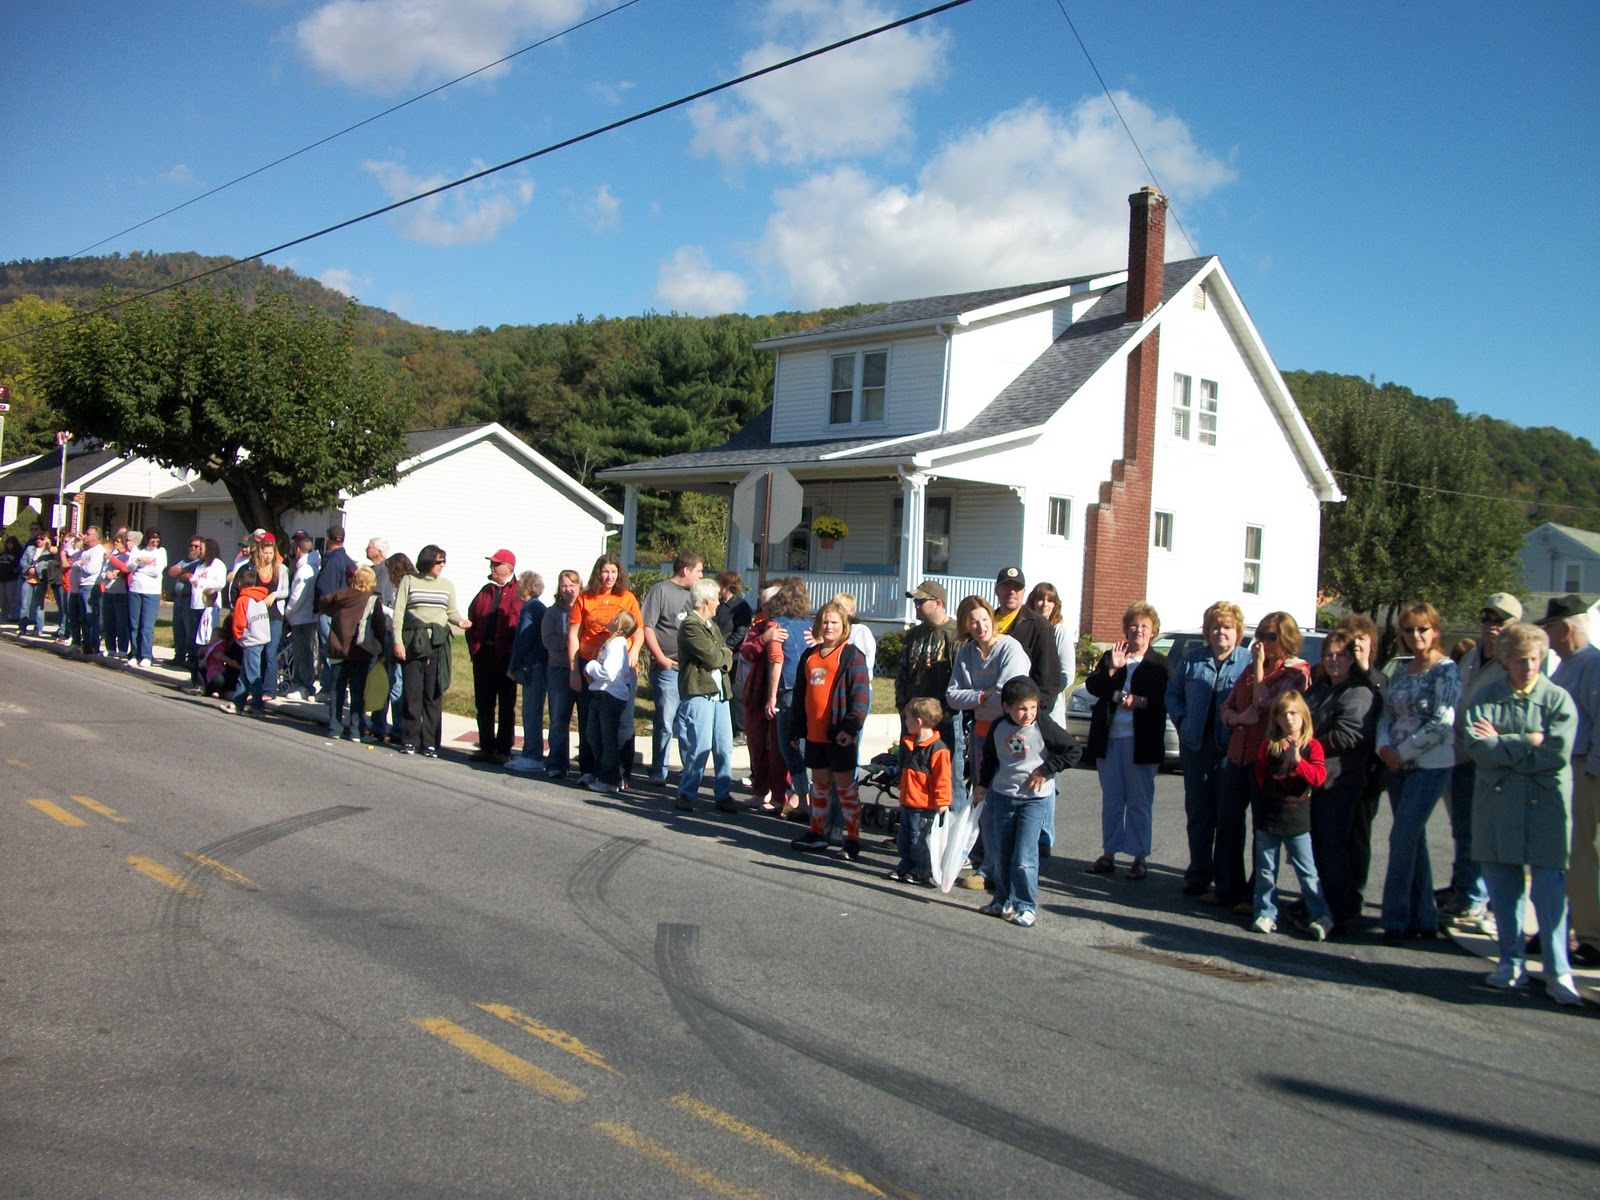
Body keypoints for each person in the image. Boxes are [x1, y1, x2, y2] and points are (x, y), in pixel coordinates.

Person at [1463, 621, 1582, 1005]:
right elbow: (1477, 749)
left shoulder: (1559, 700)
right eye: (1518, 660)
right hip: (1497, 806)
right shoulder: (1486, 699)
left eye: (1533, 659)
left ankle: (1558, 971)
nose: (1527, 667)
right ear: (1504, 661)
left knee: (1550, 891)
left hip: (1546, 807)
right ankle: (1510, 962)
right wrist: (1526, 741)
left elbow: (1556, 754)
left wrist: (1502, 746)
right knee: (1504, 890)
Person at [1208, 612, 1313, 910]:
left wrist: (1257, 667)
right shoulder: (1251, 671)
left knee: (1262, 831)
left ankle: (1255, 895)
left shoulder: (1295, 673)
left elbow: (1264, 703)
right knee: (1227, 823)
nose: (1262, 643)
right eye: (1260, 636)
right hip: (1237, 754)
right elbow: (1227, 707)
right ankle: (1227, 887)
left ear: (1286, 640)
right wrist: (1238, 718)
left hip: (1265, 758)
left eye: (1270, 637)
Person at [1375, 602, 1461, 944]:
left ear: (1435, 631)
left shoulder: (1446, 671)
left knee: (1401, 837)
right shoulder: (1402, 670)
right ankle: (1425, 917)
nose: (1416, 636)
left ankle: (1395, 919)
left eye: (1422, 629)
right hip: (1396, 767)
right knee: (1413, 840)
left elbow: (1443, 721)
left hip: (1429, 765)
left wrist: (1402, 752)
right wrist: (1383, 748)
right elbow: (1386, 715)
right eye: (1409, 630)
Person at [1444, 593, 1527, 926]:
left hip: (1493, 760)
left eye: (1500, 621)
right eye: (1487, 619)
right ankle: (1464, 892)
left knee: (1486, 833)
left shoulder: (1515, 664)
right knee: (1463, 830)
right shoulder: (1471, 659)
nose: (1492, 626)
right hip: (1461, 754)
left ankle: (1477, 899)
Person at [975, 677, 1082, 926]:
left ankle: (1026, 905)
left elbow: (1073, 751)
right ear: (1006, 708)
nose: (1028, 714)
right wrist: (982, 784)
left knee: (1024, 856)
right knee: (1003, 853)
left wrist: (1046, 770)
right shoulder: (998, 727)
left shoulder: (1043, 725)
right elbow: (989, 758)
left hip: (1034, 800)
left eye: (1033, 708)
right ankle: (1002, 899)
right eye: (1022, 708)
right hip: (1003, 796)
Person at [945, 595, 1031, 890]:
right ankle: (988, 865)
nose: (979, 626)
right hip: (981, 732)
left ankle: (1006, 867)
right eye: (972, 621)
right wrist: (981, 695)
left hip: (1009, 733)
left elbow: (1010, 692)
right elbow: (952, 695)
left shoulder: (1010, 648)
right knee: (984, 798)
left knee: (1008, 799)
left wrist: (981, 695)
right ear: (965, 625)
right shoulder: (967, 652)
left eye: (984, 619)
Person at [1166, 601, 1251, 896]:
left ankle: (1229, 881)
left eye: (1227, 627)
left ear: (1237, 631)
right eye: (1215, 627)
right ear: (1206, 631)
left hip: (1231, 751)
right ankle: (1198, 874)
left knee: (1229, 818)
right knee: (1199, 814)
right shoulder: (1192, 661)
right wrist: (1182, 720)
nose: (1221, 632)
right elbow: (1173, 694)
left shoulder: (1248, 663)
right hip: (1196, 748)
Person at [1083, 602, 1169, 881]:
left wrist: (1141, 702)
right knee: (1112, 799)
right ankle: (1109, 853)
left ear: (1152, 631)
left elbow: (1165, 700)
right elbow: (1094, 687)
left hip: (1140, 741)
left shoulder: (1160, 664)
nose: (1138, 631)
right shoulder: (1113, 655)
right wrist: (1112, 670)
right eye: (1134, 625)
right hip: (1110, 738)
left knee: (1139, 801)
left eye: (1144, 626)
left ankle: (1139, 856)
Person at [1304, 629, 1379, 932]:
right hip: (1315, 781)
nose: (1334, 660)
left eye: (1341, 655)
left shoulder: (1358, 693)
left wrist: (1305, 746)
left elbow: (1348, 735)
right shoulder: (1320, 689)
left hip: (1340, 782)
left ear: (1352, 658)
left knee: (1334, 846)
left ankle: (1337, 910)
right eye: (1329, 655)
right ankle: (1318, 904)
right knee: (1319, 845)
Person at [787, 600, 872, 859]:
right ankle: (817, 832)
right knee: (820, 785)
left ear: (843, 626)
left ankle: (853, 839)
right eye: (824, 622)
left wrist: (851, 728)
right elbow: (800, 696)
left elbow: (860, 696)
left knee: (845, 788)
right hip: (814, 734)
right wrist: (795, 730)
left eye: (834, 622)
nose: (829, 627)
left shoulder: (852, 655)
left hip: (840, 735)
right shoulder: (809, 655)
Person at [1541, 595, 1600, 969]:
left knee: (1582, 852)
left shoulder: (1592, 664)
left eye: (1549, 629)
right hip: (1565, 767)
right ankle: (1563, 928)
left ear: (1565, 629)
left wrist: (1594, 767)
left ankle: (1592, 937)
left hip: (1584, 768)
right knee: (1562, 853)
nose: (1546, 637)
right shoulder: (1567, 666)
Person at [1250, 691, 1335, 939]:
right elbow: (1260, 773)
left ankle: (1321, 915)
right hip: (1269, 818)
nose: (1288, 719)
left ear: (1304, 716)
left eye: (1293, 713)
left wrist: (1298, 761)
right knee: (1266, 869)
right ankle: (1265, 912)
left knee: (1307, 872)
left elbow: (1318, 778)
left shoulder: (1313, 746)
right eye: (1283, 714)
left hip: (1298, 821)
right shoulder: (1270, 744)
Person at [567, 555, 643, 786]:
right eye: (605, 571)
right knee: (590, 721)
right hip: (591, 666)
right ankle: (590, 769)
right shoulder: (585, 597)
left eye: (613, 572)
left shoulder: (627, 598)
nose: (609, 576)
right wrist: (574, 670)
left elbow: (638, 630)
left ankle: (621, 773)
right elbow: (573, 635)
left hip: (621, 669)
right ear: (597, 573)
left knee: (622, 722)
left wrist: (634, 653)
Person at [393, 544, 470, 758]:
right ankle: (409, 739)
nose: (442, 566)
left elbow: (451, 610)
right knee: (412, 692)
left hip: (437, 643)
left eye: (444, 562)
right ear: (427, 561)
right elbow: (399, 613)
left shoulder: (446, 585)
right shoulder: (409, 581)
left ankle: (430, 742)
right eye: (438, 562)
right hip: (414, 643)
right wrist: (397, 642)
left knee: (433, 693)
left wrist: (461, 621)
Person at [1336, 611, 1389, 918]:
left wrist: (1366, 670)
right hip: (1335, 771)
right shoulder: (1336, 676)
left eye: (1361, 640)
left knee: (1358, 834)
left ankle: (1354, 894)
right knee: (1332, 834)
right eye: (1349, 640)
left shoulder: (1379, 680)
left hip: (1367, 772)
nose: (1355, 646)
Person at [896, 580, 964, 811]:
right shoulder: (914, 635)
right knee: (912, 772)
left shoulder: (955, 635)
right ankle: (911, 823)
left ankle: (948, 831)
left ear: (938, 602)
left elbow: (959, 677)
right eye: (914, 601)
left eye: (920, 601)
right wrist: (902, 705)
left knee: (945, 777)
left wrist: (946, 712)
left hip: (941, 719)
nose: (915, 605)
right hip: (913, 717)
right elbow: (902, 672)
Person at [639, 552, 704, 784]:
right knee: (665, 721)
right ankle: (659, 770)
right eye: (699, 571)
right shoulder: (660, 591)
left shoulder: (696, 595)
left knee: (688, 724)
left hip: (690, 669)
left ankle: (688, 775)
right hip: (667, 668)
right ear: (685, 570)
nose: (701, 576)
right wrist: (661, 658)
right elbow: (647, 627)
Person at [674, 578, 737, 813]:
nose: (719, 602)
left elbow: (724, 657)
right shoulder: (691, 625)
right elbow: (713, 657)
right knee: (698, 745)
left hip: (720, 693)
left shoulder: (712, 625)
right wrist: (723, 654)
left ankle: (723, 794)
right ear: (708, 599)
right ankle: (686, 793)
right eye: (717, 598)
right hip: (699, 691)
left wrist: (723, 655)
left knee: (723, 746)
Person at [466, 549, 523, 765]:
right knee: (484, 703)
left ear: (508, 567)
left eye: (496, 564)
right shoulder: (485, 591)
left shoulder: (518, 592)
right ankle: (486, 747)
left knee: (506, 705)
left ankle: (503, 749)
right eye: (492, 563)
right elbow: (473, 617)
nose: (492, 567)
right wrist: (474, 647)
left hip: (506, 657)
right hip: (484, 655)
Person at [764, 577, 814, 815]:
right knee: (803, 744)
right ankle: (805, 797)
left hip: (788, 689)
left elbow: (777, 661)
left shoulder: (776, 626)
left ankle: (801, 798)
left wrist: (771, 695)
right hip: (810, 689)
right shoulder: (811, 627)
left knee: (788, 746)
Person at [890, 696, 952, 885]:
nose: (905, 722)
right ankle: (906, 864)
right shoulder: (910, 743)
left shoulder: (938, 749)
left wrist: (942, 802)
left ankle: (922, 870)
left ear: (918, 722)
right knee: (905, 838)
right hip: (908, 802)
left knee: (920, 841)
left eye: (907, 719)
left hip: (924, 805)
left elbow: (943, 778)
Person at [319, 566, 386, 742]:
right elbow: (379, 627)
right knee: (358, 692)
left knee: (337, 689)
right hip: (360, 651)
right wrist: (382, 650)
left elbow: (323, 602)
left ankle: (334, 727)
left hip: (337, 648)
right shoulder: (372, 600)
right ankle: (356, 730)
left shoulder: (341, 595)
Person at [739, 585, 789, 812]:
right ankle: (760, 791)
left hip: (782, 695)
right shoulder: (758, 627)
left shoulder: (790, 626)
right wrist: (764, 638)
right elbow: (746, 652)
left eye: (770, 604)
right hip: (757, 694)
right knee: (756, 744)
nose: (766, 608)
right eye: (763, 604)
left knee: (779, 748)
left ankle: (780, 795)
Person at [992, 566, 1062, 711]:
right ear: (996, 590)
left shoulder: (1039, 626)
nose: (1012, 592)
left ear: (1023, 592)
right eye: (1006, 586)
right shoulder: (985, 624)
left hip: (1020, 714)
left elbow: (1049, 679)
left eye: (1017, 587)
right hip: (986, 711)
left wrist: (1033, 713)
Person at [582, 611, 637, 794]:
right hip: (601, 694)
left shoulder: (617, 644)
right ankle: (603, 773)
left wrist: (590, 667)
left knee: (608, 740)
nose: (611, 618)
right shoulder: (613, 643)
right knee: (594, 736)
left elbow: (608, 673)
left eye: (616, 617)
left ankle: (610, 779)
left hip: (610, 697)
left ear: (619, 623)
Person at [506, 571, 549, 773]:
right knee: (533, 710)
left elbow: (523, 638)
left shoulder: (530, 609)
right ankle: (529, 752)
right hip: (540, 664)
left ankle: (532, 754)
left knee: (531, 711)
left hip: (533, 665)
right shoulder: (540, 607)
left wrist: (513, 665)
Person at [541, 569, 581, 779]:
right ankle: (557, 763)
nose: (568, 589)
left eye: (572, 585)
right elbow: (548, 641)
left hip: (583, 671)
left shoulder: (585, 608)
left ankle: (587, 765)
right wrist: (570, 643)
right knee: (558, 719)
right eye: (564, 585)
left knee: (586, 721)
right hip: (559, 671)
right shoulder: (553, 612)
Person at [314, 525, 357, 699]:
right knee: (333, 651)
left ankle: (329, 689)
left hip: (330, 613)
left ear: (329, 539)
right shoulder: (347, 560)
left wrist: (322, 606)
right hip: (342, 613)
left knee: (329, 651)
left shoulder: (333, 561)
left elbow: (325, 589)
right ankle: (332, 688)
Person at [224, 566, 271, 715]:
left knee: (252, 674)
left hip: (250, 640)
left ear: (239, 584)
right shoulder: (261, 597)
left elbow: (239, 622)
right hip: (261, 638)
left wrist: (238, 637)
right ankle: (238, 702)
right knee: (244, 674)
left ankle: (257, 706)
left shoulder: (242, 600)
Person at [713, 572, 753, 742]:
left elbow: (741, 630)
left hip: (733, 656)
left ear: (725, 585)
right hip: (720, 653)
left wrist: (728, 646)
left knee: (735, 692)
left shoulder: (740, 606)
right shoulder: (722, 605)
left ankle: (741, 730)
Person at [283, 535, 321, 700]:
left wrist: (288, 612)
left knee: (302, 653)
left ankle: (303, 685)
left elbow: (297, 597)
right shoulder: (313, 567)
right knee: (305, 652)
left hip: (301, 617)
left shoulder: (304, 570)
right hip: (308, 616)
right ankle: (304, 684)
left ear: (298, 549)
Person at [124, 528, 167, 667]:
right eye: (152, 540)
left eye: (157, 540)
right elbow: (129, 567)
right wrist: (139, 560)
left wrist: (141, 569)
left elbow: (156, 571)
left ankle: (146, 655)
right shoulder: (137, 549)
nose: (155, 543)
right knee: (134, 624)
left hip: (152, 592)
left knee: (146, 626)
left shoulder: (161, 552)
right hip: (135, 589)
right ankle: (134, 653)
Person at [63, 527, 105, 656]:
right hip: (81, 585)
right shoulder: (86, 551)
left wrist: (80, 564)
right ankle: (85, 643)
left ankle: (93, 645)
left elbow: (91, 569)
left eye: (88, 534)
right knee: (83, 617)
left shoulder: (98, 551)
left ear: (96, 537)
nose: (85, 536)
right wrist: (76, 539)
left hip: (91, 585)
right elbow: (67, 550)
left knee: (90, 617)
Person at [166, 536, 205, 669]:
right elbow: (171, 571)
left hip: (190, 599)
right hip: (178, 599)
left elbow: (192, 577)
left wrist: (182, 573)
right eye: (191, 546)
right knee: (178, 628)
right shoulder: (184, 561)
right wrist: (185, 573)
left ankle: (191, 657)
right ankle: (179, 655)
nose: (193, 548)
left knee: (190, 631)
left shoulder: (200, 563)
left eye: (196, 546)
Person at [100, 527, 133, 659]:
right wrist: (106, 574)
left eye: (118, 541)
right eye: (115, 541)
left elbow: (127, 569)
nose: (116, 544)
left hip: (121, 592)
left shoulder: (128, 556)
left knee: (121, 622)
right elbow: (102, 571)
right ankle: (110, 647)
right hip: (108, 590)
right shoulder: (111, 556)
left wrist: (118, 574)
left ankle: (123, 648)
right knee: (109, 621)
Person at [0, 536, 21, 624]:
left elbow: (19, 565)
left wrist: (16, 570)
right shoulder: (3, 554)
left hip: (12, 579)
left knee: (12, 599)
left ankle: (14, 616)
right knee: (2, 599)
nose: (9, 545)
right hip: (2, 579)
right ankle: (3, 617)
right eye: (8, 543)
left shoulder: (17, 554)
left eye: (11, 543)